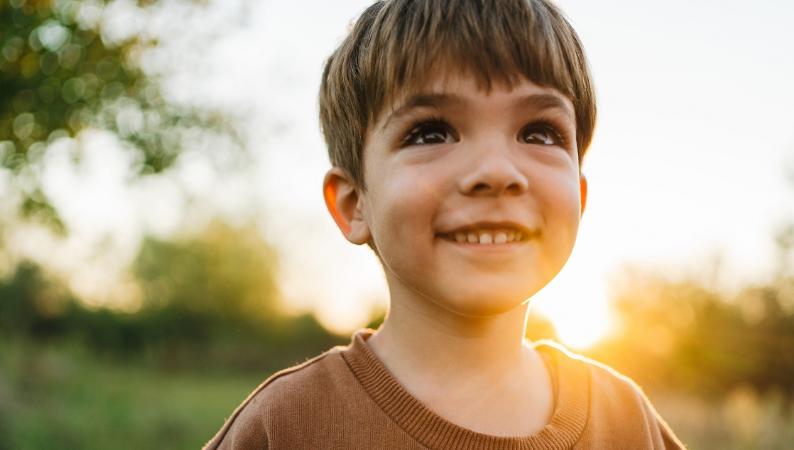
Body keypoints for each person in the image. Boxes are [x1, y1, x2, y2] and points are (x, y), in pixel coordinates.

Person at [205, 0, 686, 448]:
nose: (496, 171)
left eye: (539, 133)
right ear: (354, 205)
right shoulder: (288, 425)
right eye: (431, 133)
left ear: (578, 198)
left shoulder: (625, 420)